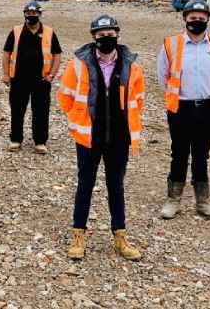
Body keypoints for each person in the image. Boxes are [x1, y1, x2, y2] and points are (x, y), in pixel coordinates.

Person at [58, 14, 143, 261]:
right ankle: (78, 236)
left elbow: (138, 100)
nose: (106, 38)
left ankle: (120, 238)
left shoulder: (131, 67)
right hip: (88, 138)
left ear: (117, 34)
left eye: (110, 34)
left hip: (119, 139)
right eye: (101, 35)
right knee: (85, 185)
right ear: (93, 36)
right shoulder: (78, 65)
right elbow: (65, 97)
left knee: (116, 187)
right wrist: (80, 120)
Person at [157, 0, 210, 221]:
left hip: (208, 108)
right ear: (184, 19)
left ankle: (203, 202)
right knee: (179, 153)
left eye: (201, 18)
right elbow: (163, 76)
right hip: (180, 107)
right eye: (192, 18)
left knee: (202, 155)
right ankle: (173, 200)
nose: (196, 21)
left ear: (208, 19)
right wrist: (179, 96)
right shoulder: (170, 45)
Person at [2, 0, 62, 154]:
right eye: (28, 13)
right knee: (17, 110)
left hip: (41, 81)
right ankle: (16, 139)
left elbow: (57, 54)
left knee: (41, 111)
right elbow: (6, 53)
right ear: (24, 14)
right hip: (19, 80)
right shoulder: (15, 31)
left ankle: (40, 142)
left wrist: (52, 75)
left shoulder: (49, 32)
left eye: (35, 13)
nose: (31, 16)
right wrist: (6, 74)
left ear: (40, 14)